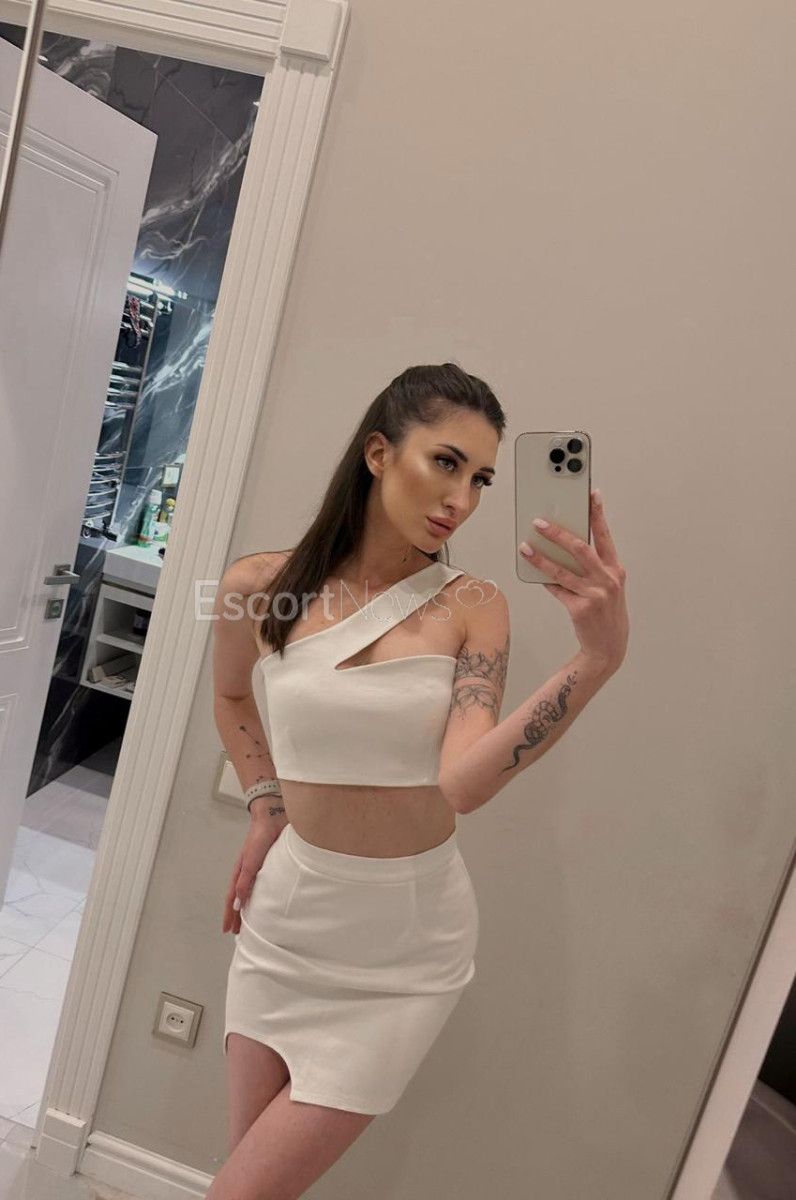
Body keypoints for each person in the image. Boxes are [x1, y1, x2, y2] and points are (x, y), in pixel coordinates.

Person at [207, 363, 629, 1199]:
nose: (461, 500)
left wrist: (596, 660)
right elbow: (228, 695)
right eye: (446, 463)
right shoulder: (255, 587)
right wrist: (265, 808)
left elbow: (465, 783)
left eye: (481, 480)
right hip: (285, 927)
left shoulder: (474, 604)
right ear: (378, 453)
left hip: (403, 950)